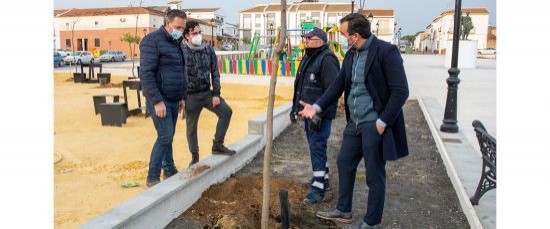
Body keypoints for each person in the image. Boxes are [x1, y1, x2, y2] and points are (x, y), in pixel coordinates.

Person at [298, 13, 410, 228]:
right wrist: (317, 106)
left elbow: (401, 91)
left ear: (355, 36)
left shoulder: (386, 52)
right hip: (354, 123)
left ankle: (371, 222)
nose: (341, 38)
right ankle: (344, 209)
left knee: (374, 174)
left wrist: (382, 122)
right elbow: (337, 85)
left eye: (343, 34)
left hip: (374, 124)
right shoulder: (350, 55)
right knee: (344, 162)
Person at [290, 27, 340, 205]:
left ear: (319, 41)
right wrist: (294, 109)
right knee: (316, 148)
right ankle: (323, 181)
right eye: (305, 38)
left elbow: (333, 91)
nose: (305, 41)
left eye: (309, 39)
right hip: (308, 114)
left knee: (317, 149)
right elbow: (301, 86)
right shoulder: (309, 56)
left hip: (319, 116)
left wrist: (320, 113)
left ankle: (318, 189)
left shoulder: (327, 60)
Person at [139, 9, 188, 188]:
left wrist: (182, 96)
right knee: (165, 136)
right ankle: (152, 178)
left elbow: (180, 71)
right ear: (167, 24)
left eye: (183, 28)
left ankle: (169, 170)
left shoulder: (177, 42)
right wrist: (157, 101)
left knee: (170, 136)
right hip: (160, 100)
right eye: (177, 27)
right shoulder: (152, 41)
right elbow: (146, 74)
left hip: (174, 99)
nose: (181, 31)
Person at [182, 20, 236, 166]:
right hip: (190, 96)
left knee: (226, 112)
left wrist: (216, 94)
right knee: (191, 127)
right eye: (195, 33)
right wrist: (181, 97)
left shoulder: (208, 50)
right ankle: (195, 156)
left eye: (199, 32)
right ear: (187, 35)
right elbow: (179, 75)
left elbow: (215, 73)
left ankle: (217, 145)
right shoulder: (181, 51)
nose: (198, 35)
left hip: (207, 94)